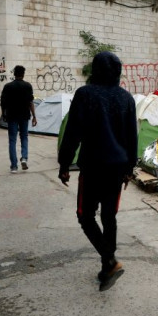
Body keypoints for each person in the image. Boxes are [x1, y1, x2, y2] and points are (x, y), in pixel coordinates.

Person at [58, 51, 138, 292]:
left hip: (93, 167)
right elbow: (130, 137)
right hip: (116, 168)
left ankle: (110, 261)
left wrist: (65, 163)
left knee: (85, 215)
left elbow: (73, 131)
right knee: (108, 216)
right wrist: (129, 168)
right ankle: (107, 266)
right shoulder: (126, 98)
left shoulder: (85, 95)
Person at [0, 65, 37, 173]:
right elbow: (31, 103)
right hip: (24, 116)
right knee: (24, 137)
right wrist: (34, 116)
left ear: (14, 74)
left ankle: (14, 166)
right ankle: (24, 158)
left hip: (12, 116)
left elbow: (3, 103)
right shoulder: (28, 86)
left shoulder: (8, 86)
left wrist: (3, 114)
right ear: (23, 74)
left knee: (12, 140)